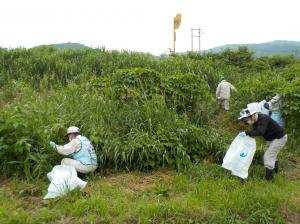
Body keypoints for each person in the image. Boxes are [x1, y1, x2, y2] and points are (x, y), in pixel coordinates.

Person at [238, 103, 288, 181]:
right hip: (272, 139)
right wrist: (246, 136)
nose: (247, 121)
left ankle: (269, 180)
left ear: (253, 115)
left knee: (268, 156)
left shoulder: (263, 118)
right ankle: (276, 172)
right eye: (245, 120)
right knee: (269, 154)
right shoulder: (255, 121)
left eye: (247, 119)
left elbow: (260, 132)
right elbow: (255, 131)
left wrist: (247, 133)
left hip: (279, 138)